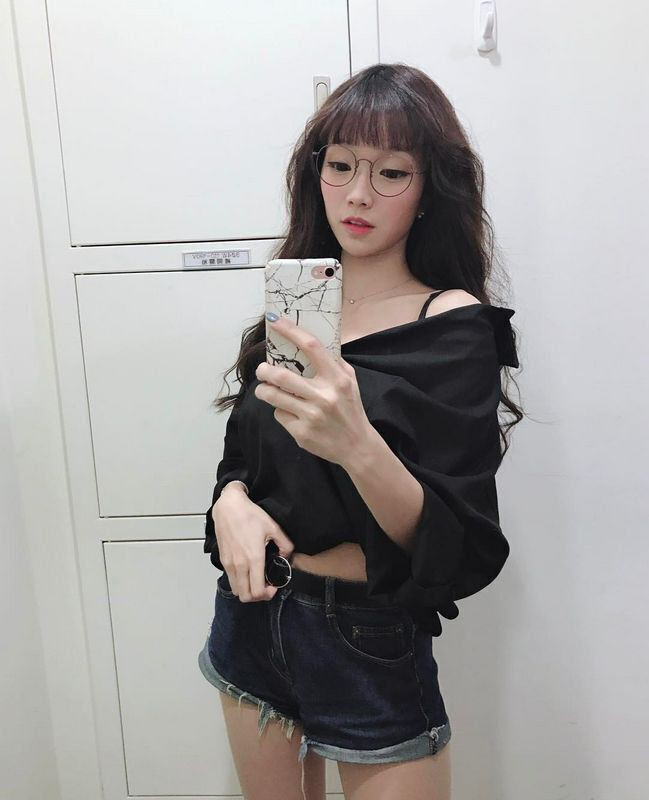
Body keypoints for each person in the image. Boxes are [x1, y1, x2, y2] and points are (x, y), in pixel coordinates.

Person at [198, 62, 524, 800]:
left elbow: (457, 545)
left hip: (365, 637)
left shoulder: (452, 328)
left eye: (391, 173)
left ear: (429, 188)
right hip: (251, 618)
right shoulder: (297, 306)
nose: (358, 194)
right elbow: (243, 458)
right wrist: (231, 504)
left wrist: (356, 442)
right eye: (341, 165)